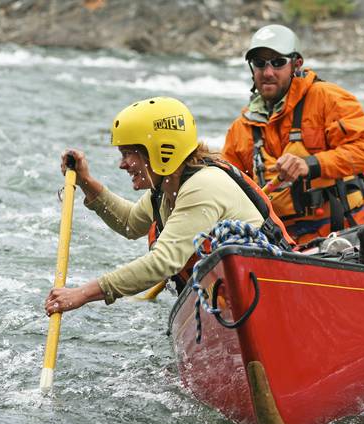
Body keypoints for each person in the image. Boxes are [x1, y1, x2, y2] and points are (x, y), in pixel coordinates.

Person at [45, 96, 291, 315]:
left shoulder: (202, 185)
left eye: (129, 154)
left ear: (161, 151)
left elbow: (163, 262)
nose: (123, 164)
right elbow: (130, 223)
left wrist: (82, 294)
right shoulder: (166, 187)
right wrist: (86, 182)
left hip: (273, 289)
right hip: (236, 296)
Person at [222, 24, 364, 244]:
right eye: (259, 63)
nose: (268, 72)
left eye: (278, 63)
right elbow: (226, 190)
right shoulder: (240, 129)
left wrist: (310, 164)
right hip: (283, 245)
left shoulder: (328, 98)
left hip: (344, 235)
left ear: (296, 64)